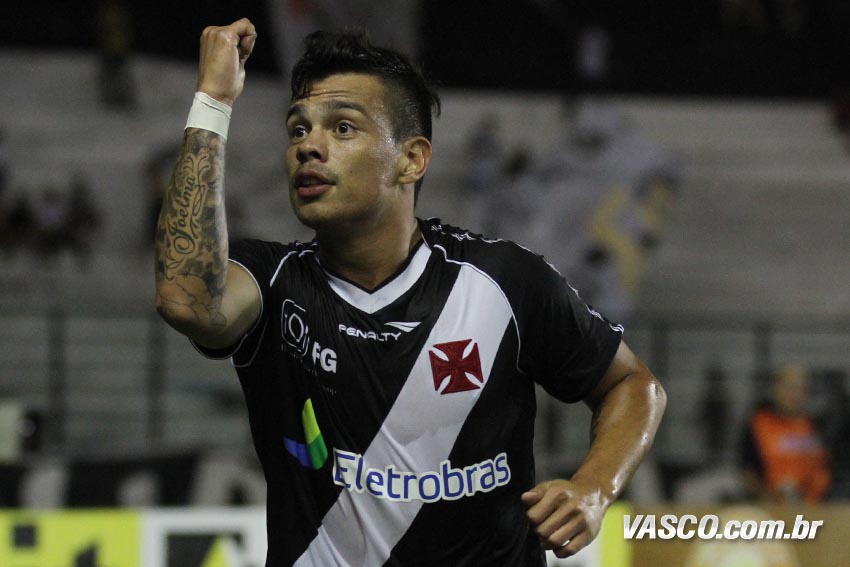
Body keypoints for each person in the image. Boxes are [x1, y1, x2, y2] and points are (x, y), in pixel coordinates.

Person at [154, 18, 666, 566]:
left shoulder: (503, 282)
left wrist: (594, 488)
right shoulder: (274, 283)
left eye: (342, 128)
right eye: (298, 130)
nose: (309, 147)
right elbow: (186, 299)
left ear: (412, 159)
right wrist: (212, 101)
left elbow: (633, 384)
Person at [739, 364, 831, 503]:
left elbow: (825, 468)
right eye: (790, 387)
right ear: (776, 389)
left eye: (802, 389)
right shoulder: (759, 424)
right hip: (770, 504)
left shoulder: (817, 425)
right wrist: (766, 497)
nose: (796, 395)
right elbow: (746, 470)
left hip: (815, 506)